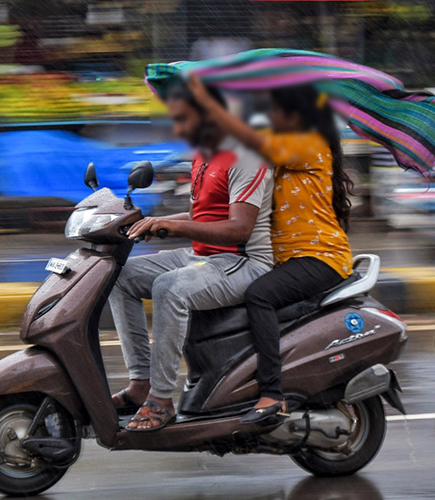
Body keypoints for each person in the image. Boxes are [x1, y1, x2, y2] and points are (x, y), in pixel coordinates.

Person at [188, 76, 354, 424]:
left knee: (259, 295)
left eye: (276, 110)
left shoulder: (308, 143)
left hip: (319, 256)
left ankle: (272, 393)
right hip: (285, 259)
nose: (269, 116)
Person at [108, 81, 273, 431]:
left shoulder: (246, 157)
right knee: (118, 276)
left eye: (185, 119)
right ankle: (140, 383)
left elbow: (239, 229)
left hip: (241, 262)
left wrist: (176, 228)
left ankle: (161, 398)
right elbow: (202, 219)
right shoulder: (203, 156)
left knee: (170, 287)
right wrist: (157, 223)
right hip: (204, 256)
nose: (179, 128)